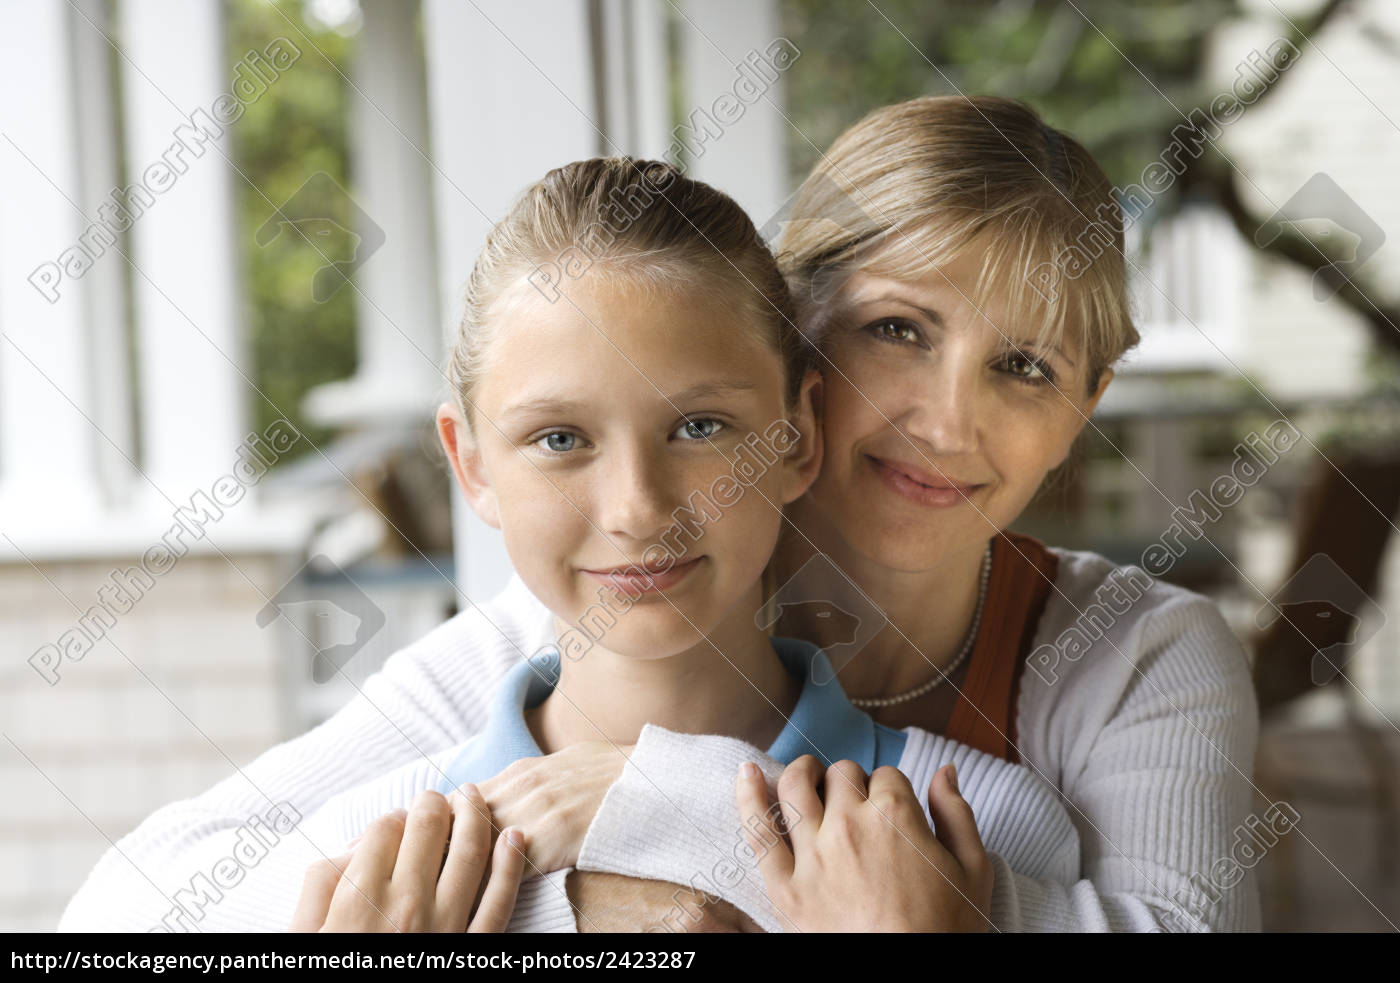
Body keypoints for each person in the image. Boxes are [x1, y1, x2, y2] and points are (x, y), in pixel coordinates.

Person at [57, 96, 1259, 934]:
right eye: (897, 330)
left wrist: (665, 799)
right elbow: (135, 902)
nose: (949, 422)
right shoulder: (584, 616)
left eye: (1025, 367)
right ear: (797, 342)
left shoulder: (1130, 655)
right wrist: (564, 900)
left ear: (1084, 405)